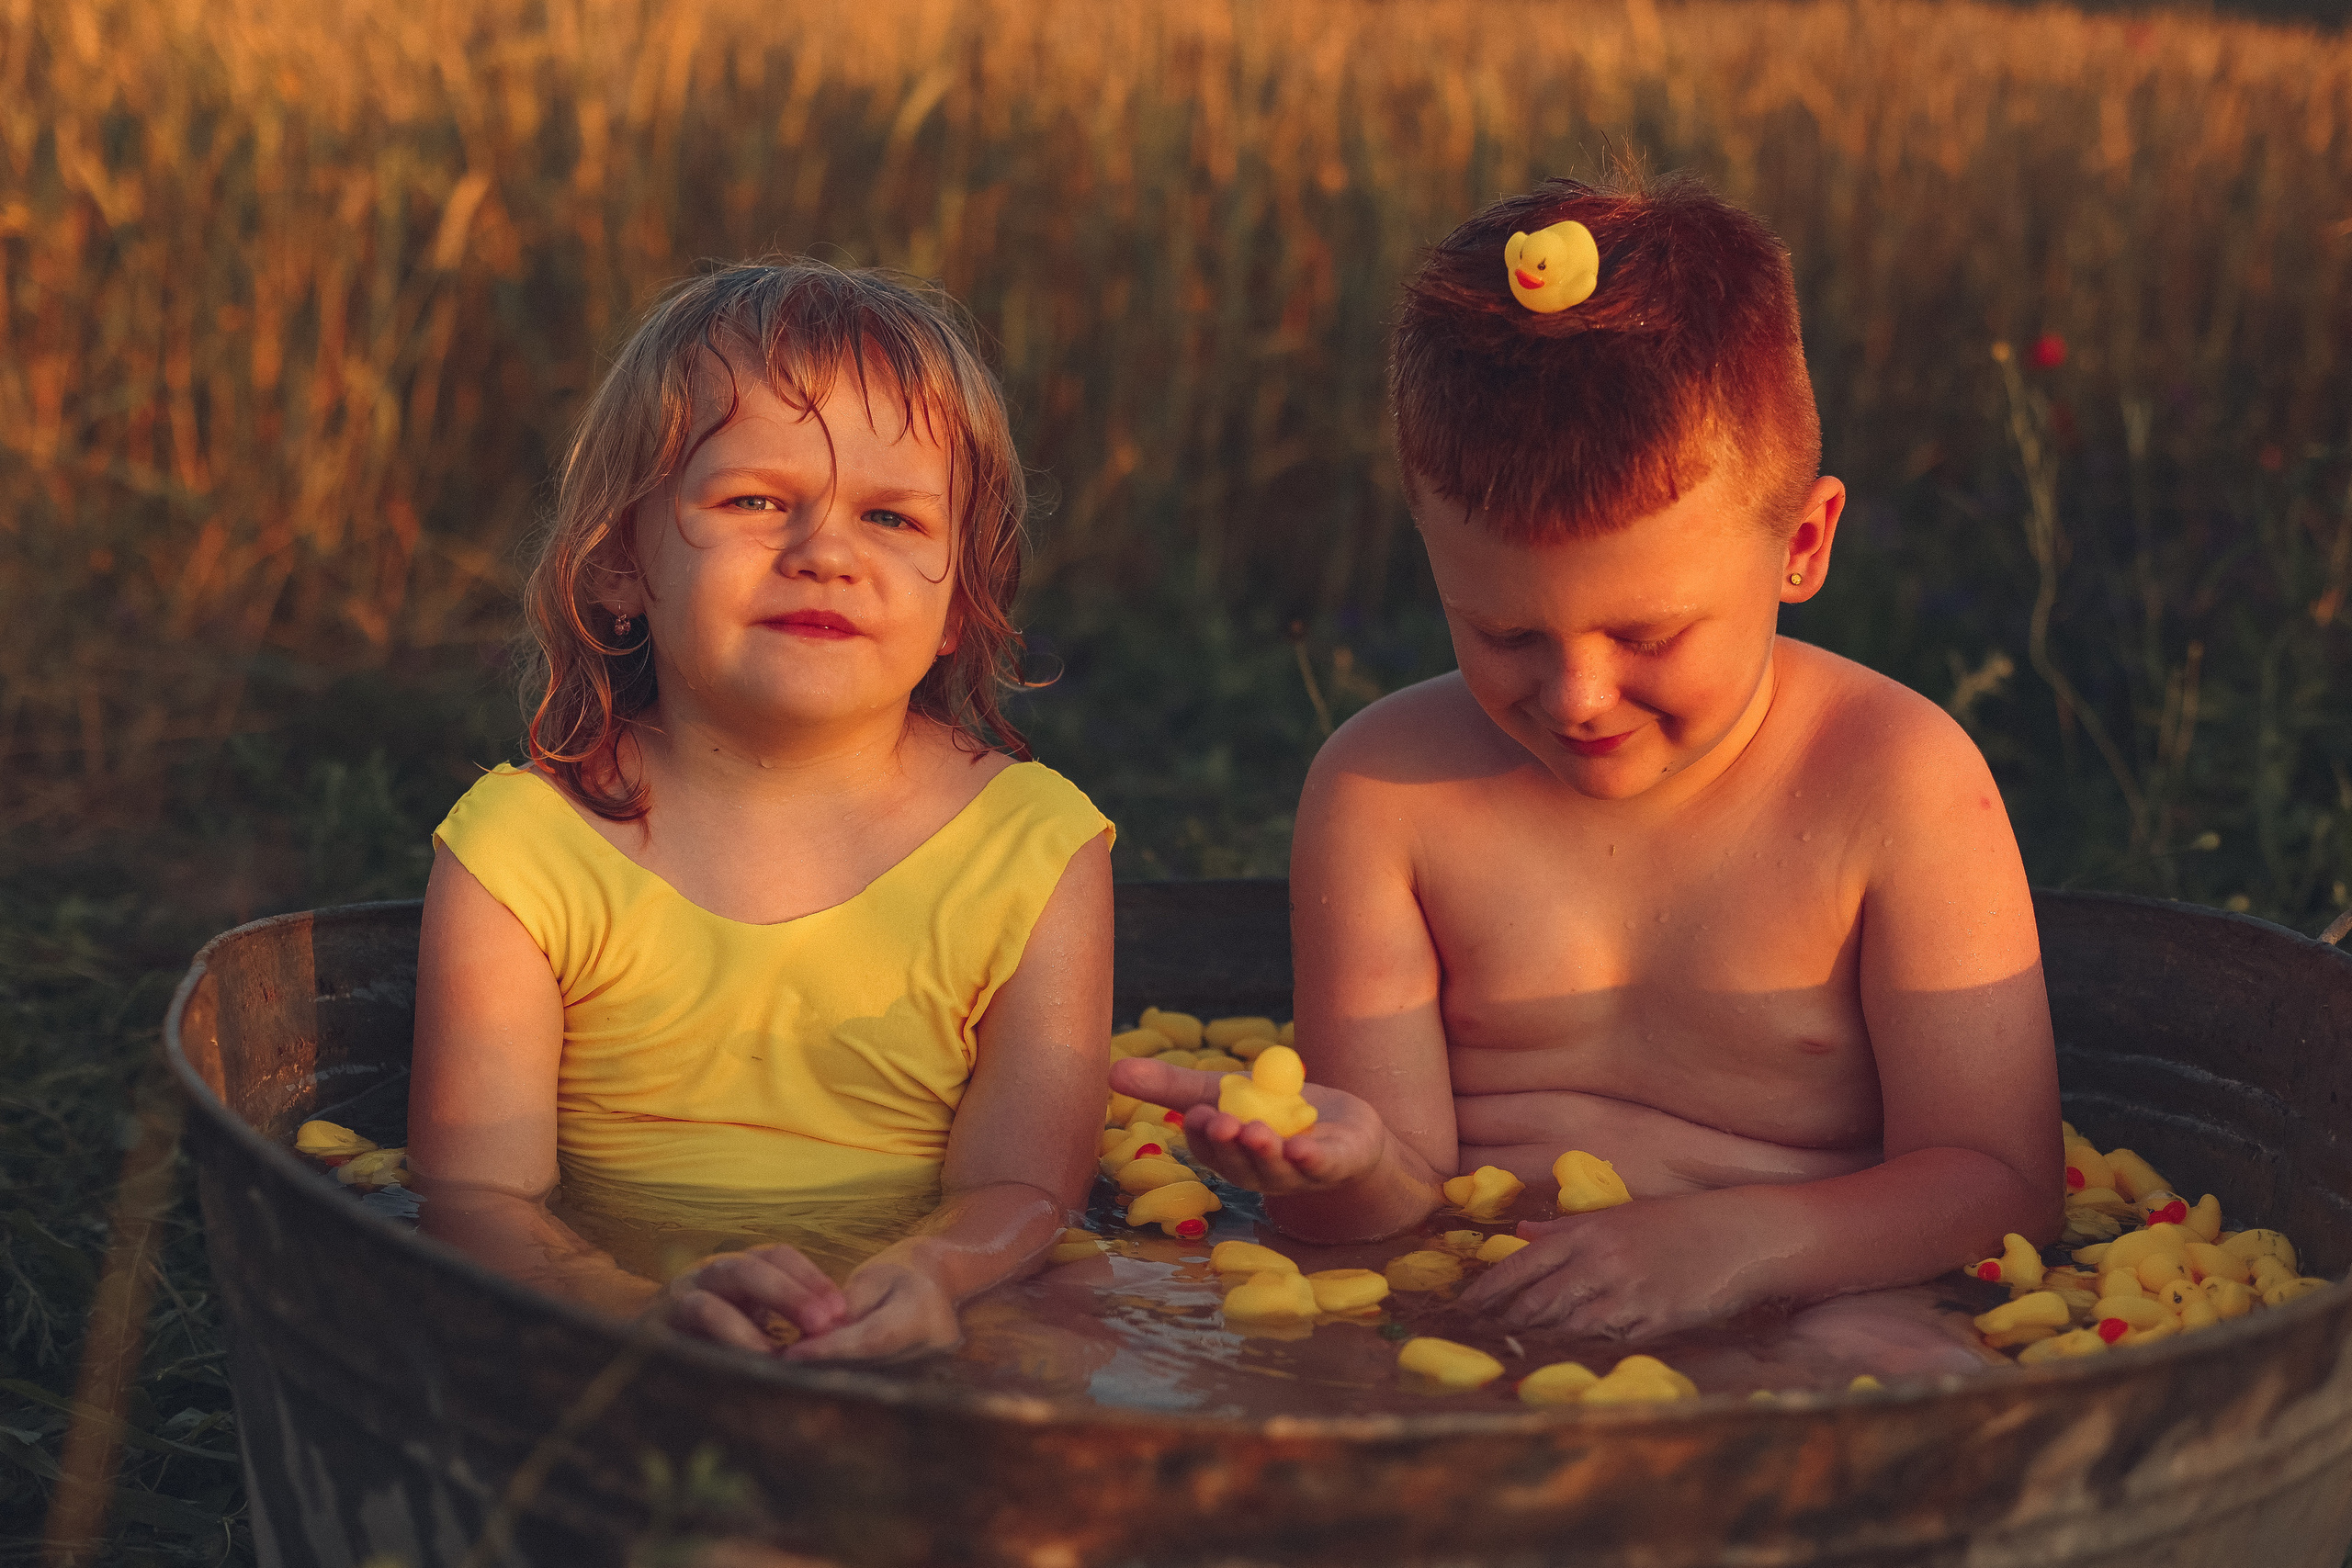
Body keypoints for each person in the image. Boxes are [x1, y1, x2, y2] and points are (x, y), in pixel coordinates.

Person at [1114, 175, 2060, 1370]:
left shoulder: (1896, 783)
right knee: (1214, 1344)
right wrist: (1331, 1169)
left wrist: (1739, 1245)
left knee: (1887, 1359)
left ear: (1801, 543)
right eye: (1506, 633)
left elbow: (2000, 1181)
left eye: (1648, 634)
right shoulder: (1384, 789)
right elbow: (1389, 1209)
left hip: (1813, 1274)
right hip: (1479, 1289)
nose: (1576, 695)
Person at [407, 262, 1114, 1362]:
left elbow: (1025, 1192)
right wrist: (628, 1309)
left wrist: (933, 1274)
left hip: (931, 1321)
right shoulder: (524, 851)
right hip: (610, 1330)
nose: (826, 553)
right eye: (755, 502)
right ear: (618, 564)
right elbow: (477, 1200)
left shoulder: (1031, 848)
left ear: (958, 607)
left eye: (890, 516)